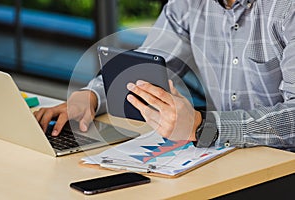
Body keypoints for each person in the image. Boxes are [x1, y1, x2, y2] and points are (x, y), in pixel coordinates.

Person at [34, 0, 295, 150]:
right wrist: (91, 96)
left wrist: (203, 125)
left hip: (282, 168)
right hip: (225, 156)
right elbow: (146, 68)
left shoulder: (287, 9)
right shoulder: (187, 4)